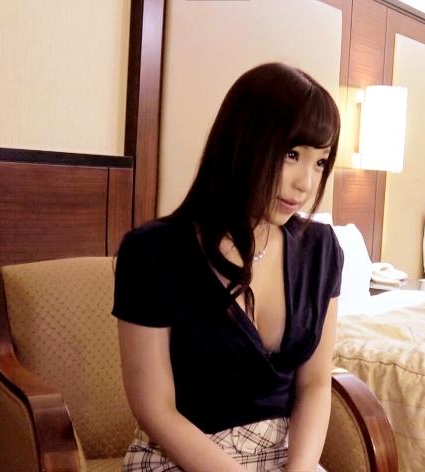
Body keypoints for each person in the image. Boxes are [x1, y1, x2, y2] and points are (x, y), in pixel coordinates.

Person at [112, 62, 343, 472]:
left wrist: (301, 469)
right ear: (243, 143)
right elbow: (155, 409)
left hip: (286, 457)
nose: (306, 183)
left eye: (320, 162)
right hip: (185, 458)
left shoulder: (321, 249)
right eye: (292, 154)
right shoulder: (152, 252)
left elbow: (314, 384)